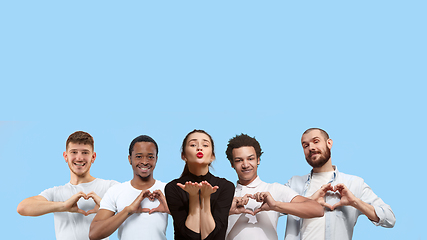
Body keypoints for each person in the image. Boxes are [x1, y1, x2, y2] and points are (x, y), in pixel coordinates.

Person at [285, 128, 396, 240]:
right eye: (305, 145)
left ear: (329, 143)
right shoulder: (294, 184)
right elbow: (269, 205)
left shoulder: (354, 184)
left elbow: (389, 218)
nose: (311, 147)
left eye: (316, 141)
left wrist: (355, 202)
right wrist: (308, 202)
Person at [17, 131, 118, 240]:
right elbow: (22, 208)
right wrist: (64, 206)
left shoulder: (108, 186)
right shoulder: (56, 193)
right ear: (66, 156)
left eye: (85, 152)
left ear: (93, 157)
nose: (79, 158)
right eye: (74, 152)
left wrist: (105, 206)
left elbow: (135, 203)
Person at [225, 134, 323, 240]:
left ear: (258, 160)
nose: (245, 164)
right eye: (239, 160)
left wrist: (275, 205)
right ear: (232, 164)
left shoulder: (274, 189)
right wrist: (228, 211)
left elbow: (317, 209)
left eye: (250, 158)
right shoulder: (225, 195)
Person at [89, 135, 169, 240]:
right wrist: (128, 211)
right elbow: (94, 234)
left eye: (150, 157)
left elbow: (194, 229)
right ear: (130, 159)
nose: (145, 162)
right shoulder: (115, 191)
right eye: (139, 156)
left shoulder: (168, 190)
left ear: (156, 159)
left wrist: (171, 210)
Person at [165, 129, 235, 240]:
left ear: (212, 156)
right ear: (183, 156)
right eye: (193, 144)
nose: (199, 148)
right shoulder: (173, 188)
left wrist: (205, 197)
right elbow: (192, 235)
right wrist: (194, 197)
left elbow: (210, 236)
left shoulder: (226, 186)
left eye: (205, 145)